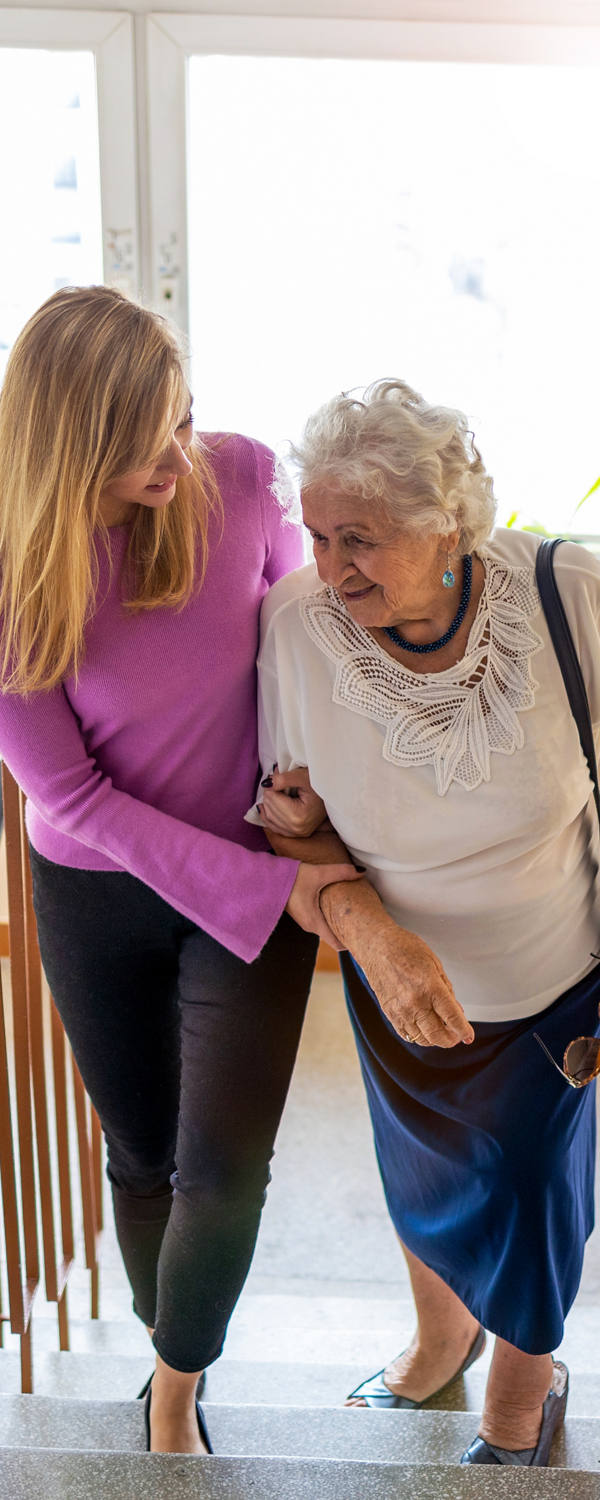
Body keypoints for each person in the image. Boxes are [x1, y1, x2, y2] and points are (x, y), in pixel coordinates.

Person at [0, 286, 362, 1456]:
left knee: (225, 1169)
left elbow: (311, 646)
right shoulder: (12, 573)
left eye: (183, 413)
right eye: (144, 435)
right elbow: (71, 797)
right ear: (72, 443)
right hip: (96, 888)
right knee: (142, 1155)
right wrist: (271, 885)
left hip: (251, 880)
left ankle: (167, 1401)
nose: (177, 450)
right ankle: (180, 1356)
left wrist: (305, 800)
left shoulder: (244, 479)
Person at [248, 378, 600, 1467]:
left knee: (537, 1188)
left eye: (362, 536)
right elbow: (292, 824)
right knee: (428, 1178)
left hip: (559, 980)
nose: (330, 564)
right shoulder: (297, 628)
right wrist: (366, 929)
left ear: (447, 522)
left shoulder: (568, 591)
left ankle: (519, 1397)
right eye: (316, 534)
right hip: (396, 982)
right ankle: (439, 1338)